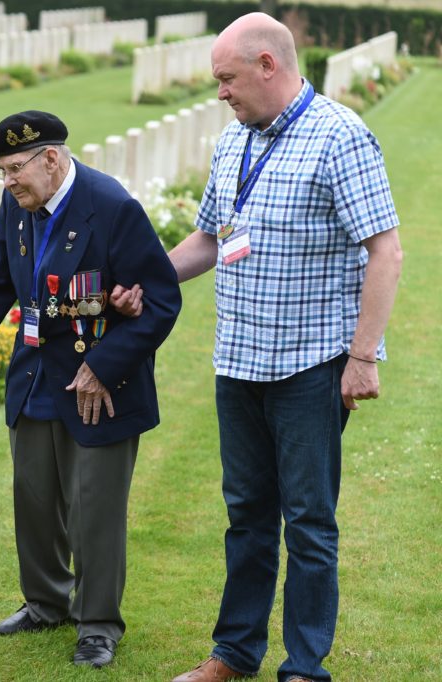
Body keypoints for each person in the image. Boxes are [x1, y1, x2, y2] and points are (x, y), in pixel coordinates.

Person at [147, 13, 403, 682]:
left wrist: (362, 355)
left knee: (309, 522)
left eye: (228, 79)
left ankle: (305, 666)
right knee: (247, 518)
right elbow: (209, 238)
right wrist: (142, 277)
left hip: (309, 365)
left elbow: (385, 250)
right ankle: (233, 655)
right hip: (239, 361)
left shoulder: (340, 137)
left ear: (268, 65)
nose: (221, 93)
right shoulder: (235, 142)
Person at [0, 110, 181, 668]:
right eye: (1, 172)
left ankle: (97, 624)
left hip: (99, 385)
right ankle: (45, 602)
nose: (8, 181)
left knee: (94, 510)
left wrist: (104, 365)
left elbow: (160, 301)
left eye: (15, 169)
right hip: (36, 375)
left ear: (52, 158)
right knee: (35, 498)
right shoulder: (18, 206)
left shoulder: (111, 207)